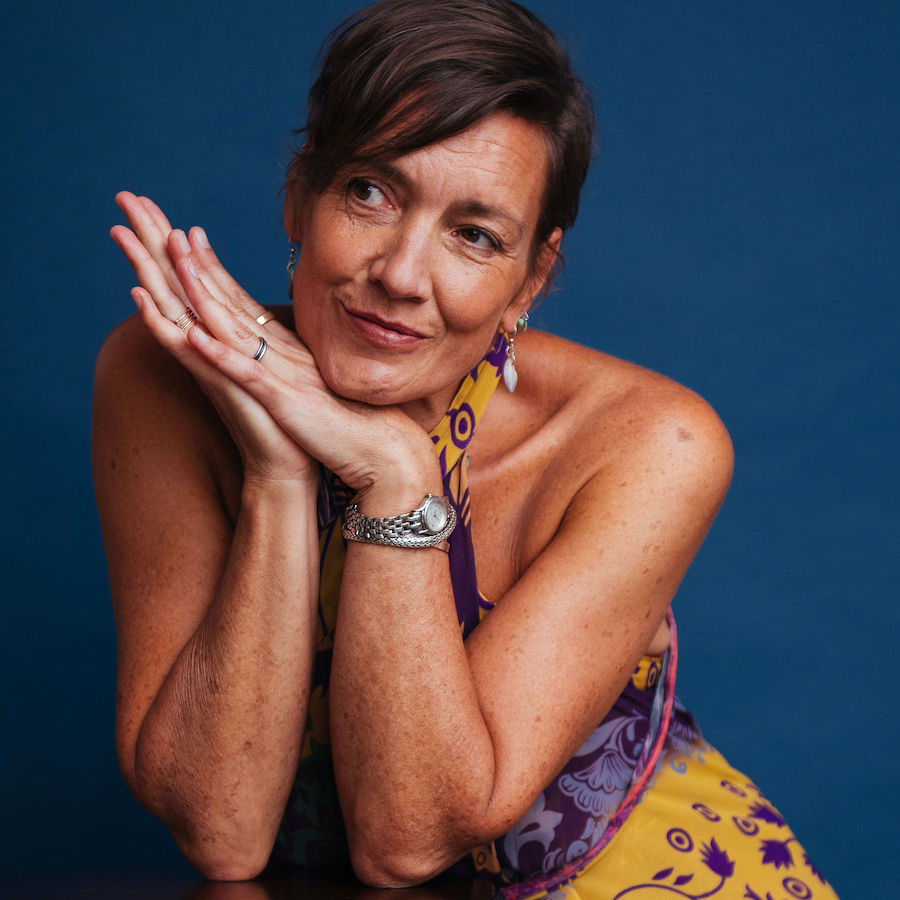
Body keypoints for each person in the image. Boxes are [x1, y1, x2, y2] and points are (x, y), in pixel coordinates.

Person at [93, 1, 839, 897]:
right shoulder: (169, 373)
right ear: (299, 194)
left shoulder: (650, 441)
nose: (403, 275)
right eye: (370, 192)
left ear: (531, 280)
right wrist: (278, 472)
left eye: (475, 236)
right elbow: (221, 832)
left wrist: (399, 477)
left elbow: (407, 842)